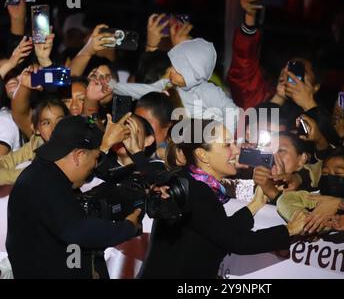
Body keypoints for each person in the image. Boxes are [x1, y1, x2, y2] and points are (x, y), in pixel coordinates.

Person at [139, 119, 307, 278]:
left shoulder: (189, 182)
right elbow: (237, 242)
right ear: (203, 155)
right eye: (227, 145)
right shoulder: (198, 191)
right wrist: (289, 229)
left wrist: (255, 204)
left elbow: (218, 231)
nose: (236, 150)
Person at [6, 115, 141, 278]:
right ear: (79, 155)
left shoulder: (44, 172)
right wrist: (128, 227)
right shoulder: (46, 183)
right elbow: (79, 231)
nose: (95, 165)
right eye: (96, 158)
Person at [0, 98, 69, 185]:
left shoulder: (74, 145)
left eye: (60, 121)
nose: (54, 128)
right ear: (36, 129)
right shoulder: (36, 143)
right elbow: (6, 161)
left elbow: (41, 175)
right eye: (46, 123)